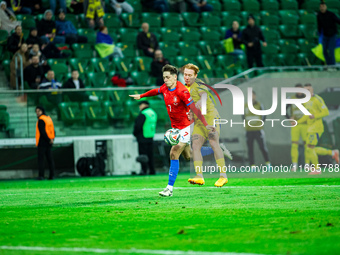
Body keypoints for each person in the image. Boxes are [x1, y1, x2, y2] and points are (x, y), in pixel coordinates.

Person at [129, 64, 214, 197]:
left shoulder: (182, 91)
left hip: (187, 126)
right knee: (188, 156)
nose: (165, 80)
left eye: (168, 77)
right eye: (164, 77)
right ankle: (212, 151)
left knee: (174, 152)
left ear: (175, 77)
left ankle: (169, 189)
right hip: (176, 127)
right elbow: (155, 91)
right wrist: (141, 95)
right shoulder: (165, 87)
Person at [183, 64, 232, 187]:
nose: (187, 77)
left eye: (190, 75)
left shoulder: (199, 84)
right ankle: (199, 176)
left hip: (211, 117)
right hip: (199, 121)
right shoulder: (185, 89)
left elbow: (204, 96)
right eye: (185, 74)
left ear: (195, 75)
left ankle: (223, 176)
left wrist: (201, 101)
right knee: (195, 146)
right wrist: (190, 115)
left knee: (213, 142)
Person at [297, 84, 339, 174]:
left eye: (308, 90)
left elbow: (326, 112)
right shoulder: (306, 101)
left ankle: (317, 169)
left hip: (317, 128)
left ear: (312, 90)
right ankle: (332, 153)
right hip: (310, 128)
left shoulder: (317, 99)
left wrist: (315, 116)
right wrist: (298, 122)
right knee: (310, 149)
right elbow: (306, 115)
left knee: (310, 148)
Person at [243, 91, 271, 171]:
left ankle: (268, 163)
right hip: (249, 131)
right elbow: (243, 116)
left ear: (255, 96)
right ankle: (252, 166)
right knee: (250, 148)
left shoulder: (259, 105)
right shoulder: (245, 106)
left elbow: (264, 115)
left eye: (252, 95)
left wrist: (260, 124)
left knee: (262, 147)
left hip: (258, 130)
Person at [286, 84, 308, 172]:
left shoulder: (307, 98)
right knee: (294, 145)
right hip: (295, 125)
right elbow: (284, 109)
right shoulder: (291, 99)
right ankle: (295, 165)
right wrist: (289, 118)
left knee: (307, 145)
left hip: (305, 124)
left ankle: (307, 164)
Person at [133, 101, 157, 175]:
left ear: (144, 105)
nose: (139, 107)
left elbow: (138, 126)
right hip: (150, 136)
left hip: (142, 136)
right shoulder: (153, 113)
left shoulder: (143, 114)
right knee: (150, 155)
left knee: (143, 155)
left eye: (140, 105)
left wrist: (135, 133)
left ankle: (144, 170)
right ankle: (152, 170)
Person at [35, 106, 56, 180]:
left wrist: (48, 139)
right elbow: (53, 130)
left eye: (38, 111)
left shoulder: (41, 120)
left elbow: (42, 132)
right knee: (50, 159)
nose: (37, 113)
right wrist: (52, 139)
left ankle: (41, 175)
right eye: (36, 111)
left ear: (42, 111)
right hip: (49, 142)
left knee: (41, 160)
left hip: (42, 142)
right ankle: (52, 175)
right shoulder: (48, 119)